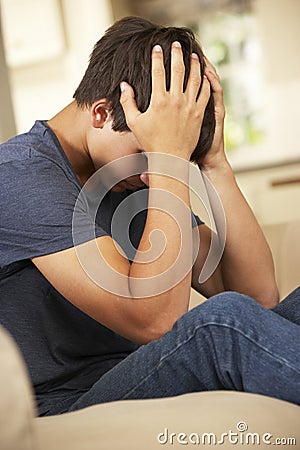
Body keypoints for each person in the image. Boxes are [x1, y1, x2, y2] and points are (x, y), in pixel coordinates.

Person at [0, 16, 299, 417]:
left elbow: (259, 297)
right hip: (63, 404)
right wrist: (168, 158)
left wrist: (213, 162)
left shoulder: (127, 182)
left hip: (130, 374)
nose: (150, 174)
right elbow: (154, 321)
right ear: (103, 113)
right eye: (148, 153)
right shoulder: (19, 175)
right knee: (217, 327)